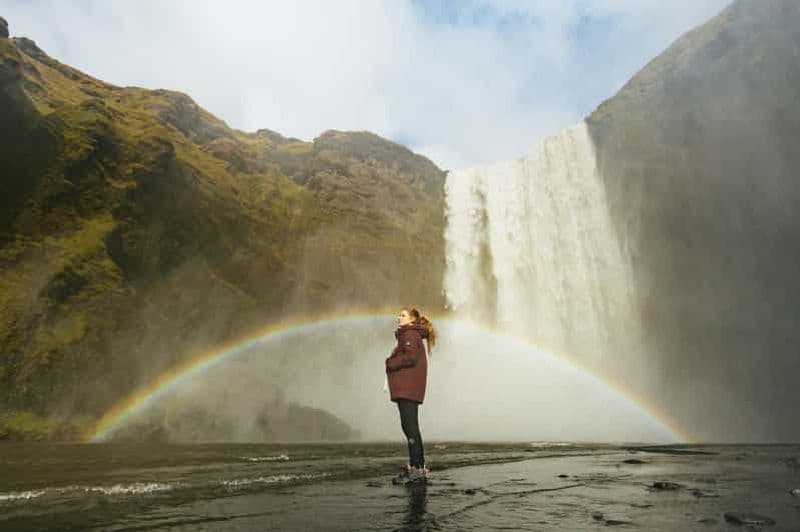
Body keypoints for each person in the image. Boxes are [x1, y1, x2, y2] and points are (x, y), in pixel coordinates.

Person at [385, 307, 436, 483]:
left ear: (412, 320)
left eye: (403, 315)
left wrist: (390, 362)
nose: (398, 317)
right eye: (399, 314)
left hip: (407, 389)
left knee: (410, 428)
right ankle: (418, 467)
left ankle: (417, 469)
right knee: (410, 428)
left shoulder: (410, 335)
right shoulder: (410, 335)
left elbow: (410, 358)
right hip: (408, 389)